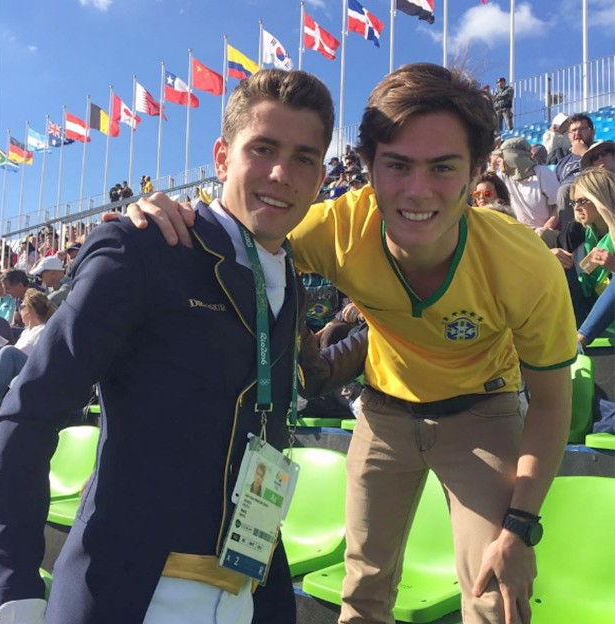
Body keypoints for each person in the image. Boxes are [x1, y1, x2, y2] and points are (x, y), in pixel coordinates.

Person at [134, 63, 577, 624]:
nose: (418, 191)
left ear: (476, 171)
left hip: (482, 413)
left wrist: (520, 528)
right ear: (367, 167)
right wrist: (164, 220)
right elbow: (237, 230)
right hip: (385, 413)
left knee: (497, 596)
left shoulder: (524, 264)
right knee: (363, 591)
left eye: (443, 167)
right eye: (396, 165)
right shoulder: (337, 227)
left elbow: (554, 402)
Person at [0, 69, 366, 624]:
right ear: (221, 157)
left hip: (251, 590)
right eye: (262, 148)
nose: (282, 173)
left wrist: (392, 325)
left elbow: (304, 379)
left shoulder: (288, 275)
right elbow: (29, 412)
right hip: (129, 592)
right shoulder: (144, 246)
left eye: (305, 158)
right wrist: (13, 581)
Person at [551, 168, 614, 327]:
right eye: (574, 202)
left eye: (582, 200)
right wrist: (550, 257)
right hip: (582, 311)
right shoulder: (575, 232)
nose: (577, 207)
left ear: (600, 197)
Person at [0, 289, 55, 408]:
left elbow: (41, 360)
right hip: (21, 371)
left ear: (29, 309)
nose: (19, 310)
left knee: (8, 351)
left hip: (36, 373)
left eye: (21, 306)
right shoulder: (27, 332)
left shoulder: (43, 330)